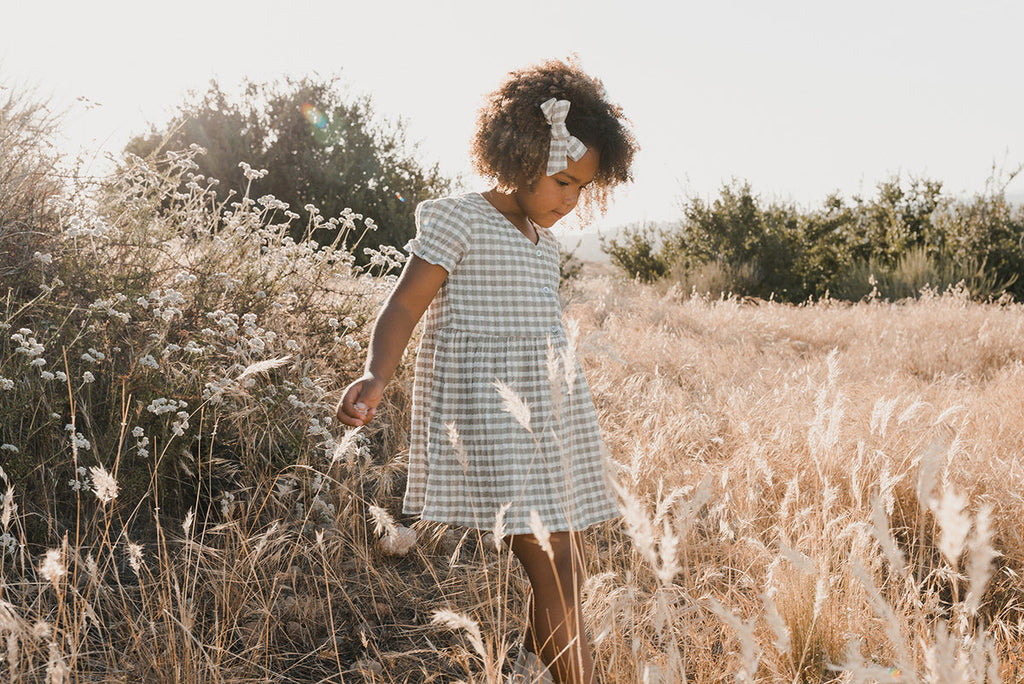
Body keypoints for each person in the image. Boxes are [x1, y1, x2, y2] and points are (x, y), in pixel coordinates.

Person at [336, 58, 637, 684]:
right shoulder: (459, 218)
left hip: (547, 411)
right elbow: (405, 304)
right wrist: (376, 374)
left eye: (582, 187)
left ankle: (531, 666)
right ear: (522, 157)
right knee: (547, 555)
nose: (571, 199)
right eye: (561, 181)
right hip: (492, 412)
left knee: (569, 554)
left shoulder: (544, 245)